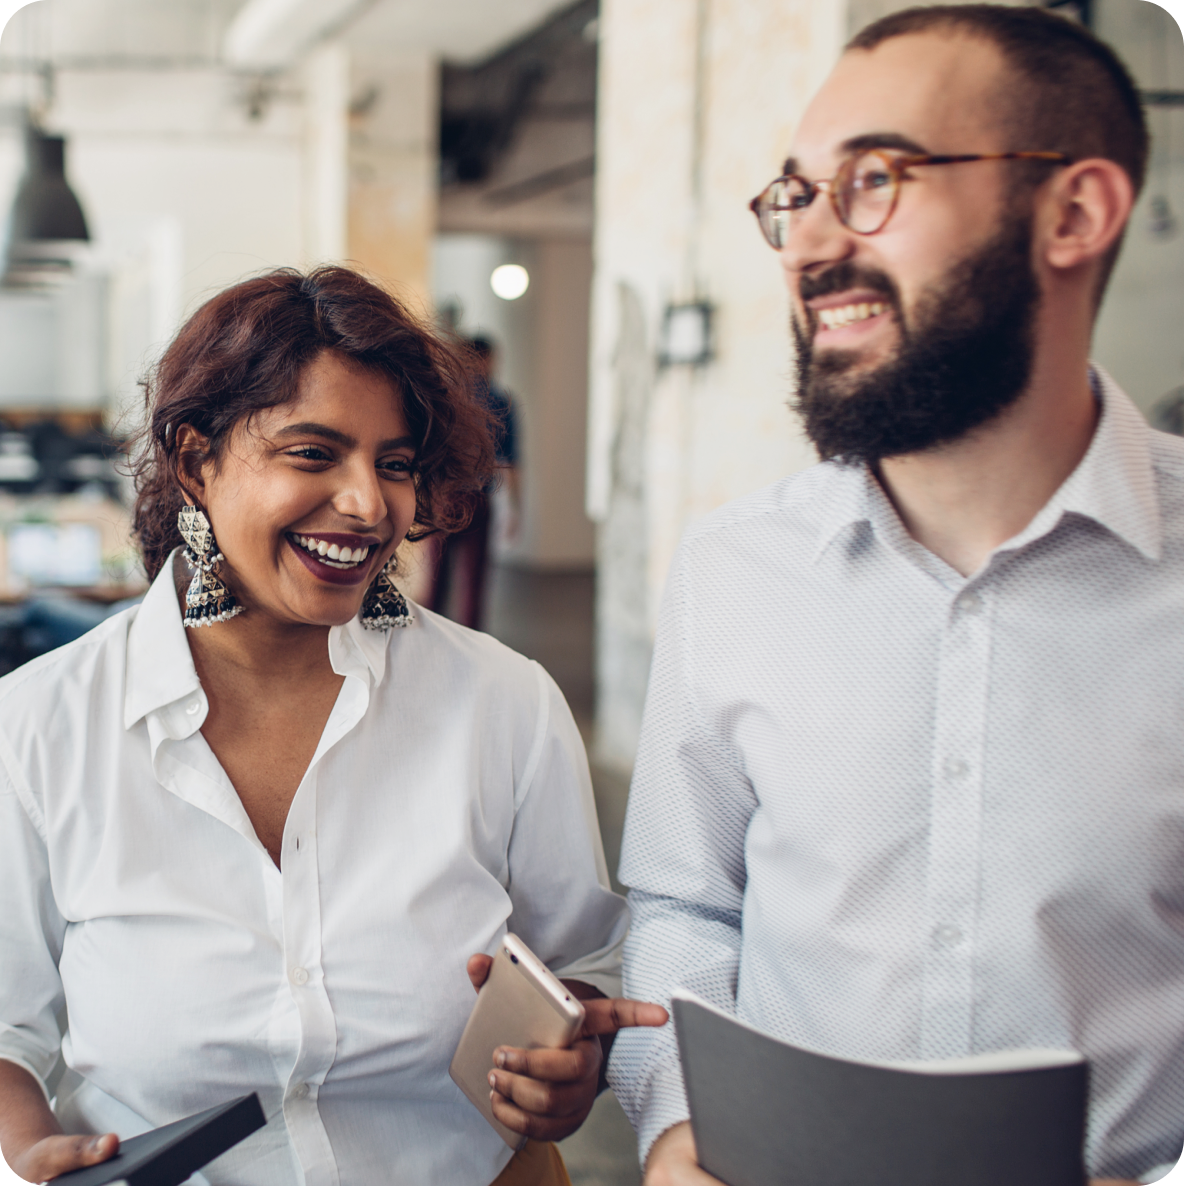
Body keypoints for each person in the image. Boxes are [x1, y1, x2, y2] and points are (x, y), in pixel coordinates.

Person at [607, 7, 1183, 1186]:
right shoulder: (732, 569)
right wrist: (673, 1130)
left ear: (1071, 213)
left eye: (872, 179)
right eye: (793, 192)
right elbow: (680, 907)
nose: (808, 242)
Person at [0, 266, 665, 1186]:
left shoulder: (502, 705)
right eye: (314, 454)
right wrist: (26, 1145)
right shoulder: (40, 725)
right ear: (196, 461)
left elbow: (580, 966)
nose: (368, 504)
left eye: (395, 464)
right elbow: (6, 1026)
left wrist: (570, 1065)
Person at [429, 335, 519, 630]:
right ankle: (470, 646)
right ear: (486, 359)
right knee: (474, 584)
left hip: (443, 495)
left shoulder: (446, 396)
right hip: (478, 496)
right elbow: (512, 462)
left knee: (435, 581)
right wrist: (515, 508)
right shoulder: (501, 400)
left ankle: (424, 641)